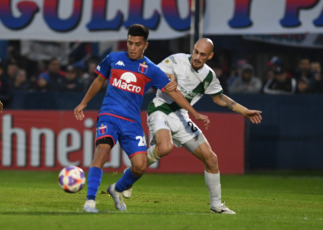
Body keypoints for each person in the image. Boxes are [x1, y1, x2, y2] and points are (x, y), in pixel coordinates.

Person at [74, 24, 209, 213]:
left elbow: (174, 92)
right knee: (102, 151)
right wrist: (83, 103)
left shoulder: (151, 69)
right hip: (109, 115)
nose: (132, 47)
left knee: (139, 166)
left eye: (137, 44)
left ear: (145, 45)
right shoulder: (113, 58)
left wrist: (194, 113)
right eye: (130, 43)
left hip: (131, 122)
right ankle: (90, 201)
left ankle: (116, 189)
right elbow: (99, 80)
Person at [122, 38, 262, 214]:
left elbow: (219, 98)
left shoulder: (209, 76)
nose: (197, 57)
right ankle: (133, 171)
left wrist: (245, 111)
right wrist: (165, 77)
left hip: (181, 115)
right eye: (195, 51)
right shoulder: (176, 60)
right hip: (161, 108)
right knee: (165, 147)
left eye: (202, 54)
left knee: (211, 159)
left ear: (210, 56)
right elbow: (152, 72)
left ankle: (216, 205)